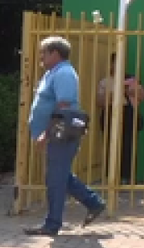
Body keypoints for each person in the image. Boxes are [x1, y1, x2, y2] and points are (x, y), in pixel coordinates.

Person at [24, 36, 106, 237]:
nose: (41, 57)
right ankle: (94, 203)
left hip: (61, 135)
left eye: (44, 52)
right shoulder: (53, 72)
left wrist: (46, 133)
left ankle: (52, 225)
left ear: (55, 53)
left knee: (55, 180)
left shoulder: (64, 74)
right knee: (61, 177)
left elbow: (64, 109)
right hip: (57, 135)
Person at [97, 53, 144, 183]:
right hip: (110, 112)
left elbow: (142, 95)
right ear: (111, 64)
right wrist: (113, 94)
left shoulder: (130, 79)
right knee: (110, 144)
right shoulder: (105, 81)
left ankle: (126, 176)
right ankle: (111, 176)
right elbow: (100, 102)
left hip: (127, 113)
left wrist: (129, 91)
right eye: (115, 63)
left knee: (128, 145)